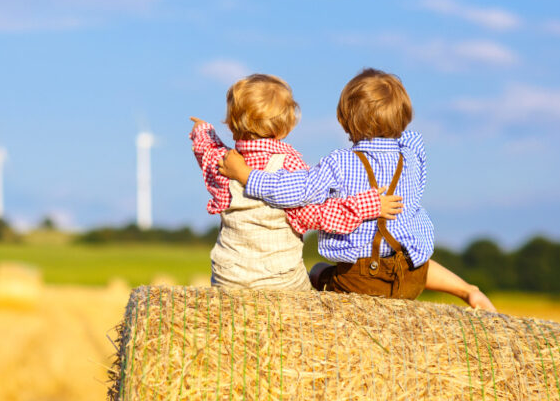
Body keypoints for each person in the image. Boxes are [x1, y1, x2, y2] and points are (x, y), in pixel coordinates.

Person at [219, 68, 497, 312]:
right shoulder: (411, 156)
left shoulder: (340, 163)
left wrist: (246, 175)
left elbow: (297, 190)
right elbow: (412, 137)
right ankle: (468, 290)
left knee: (316, 271)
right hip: (408, 278)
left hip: (361, 281)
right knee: (414, 261)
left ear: (344, 120)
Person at [191, 73, 404, 292]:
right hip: (280, 282)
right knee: (314, 287)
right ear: (285, 127)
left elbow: (206, 149)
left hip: (228, 278)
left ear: (232, 124)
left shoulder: (224, 163)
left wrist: (202, 130)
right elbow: (317, 214)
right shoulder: (290, 166)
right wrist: (367, 205)